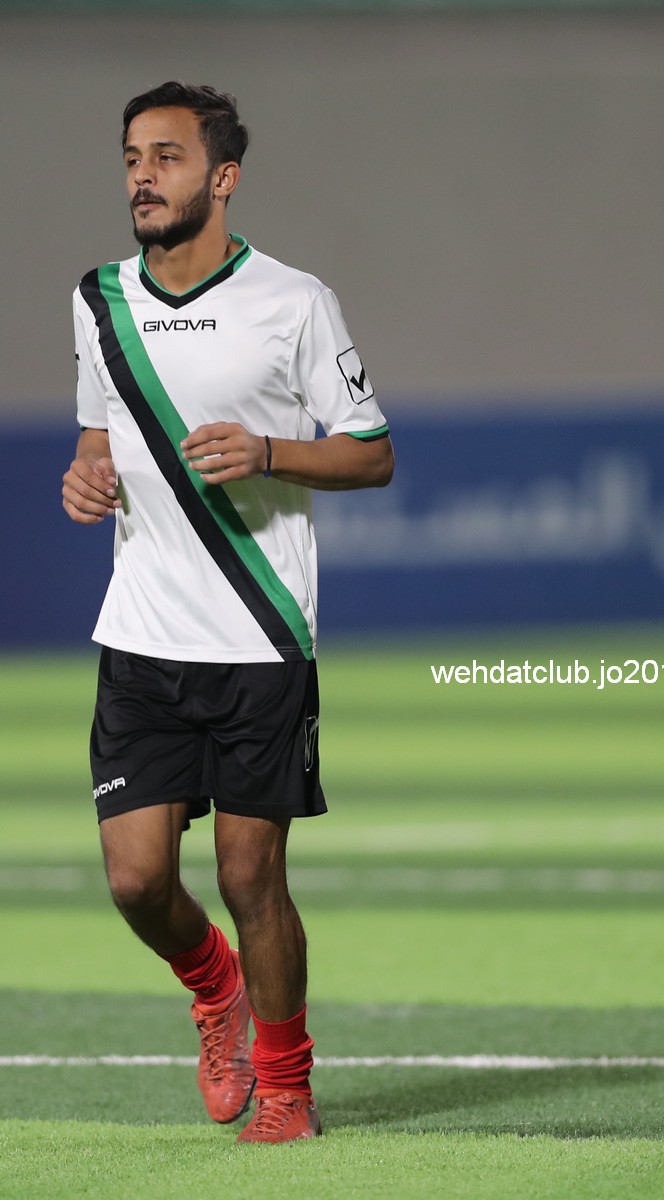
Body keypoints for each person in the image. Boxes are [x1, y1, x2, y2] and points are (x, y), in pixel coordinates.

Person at [61, 81, 394, 1143]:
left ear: (224, 176)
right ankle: (215, 989)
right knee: (136, 880)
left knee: (253, 876)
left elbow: (372, 454)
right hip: (141, 636)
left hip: (259, 637)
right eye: (132, 158)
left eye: (166, 157)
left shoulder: (294, 300)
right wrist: (86, 473)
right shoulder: (98, 299)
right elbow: (100, 434)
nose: (142, 177)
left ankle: (287, 1088)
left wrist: (267, 451)